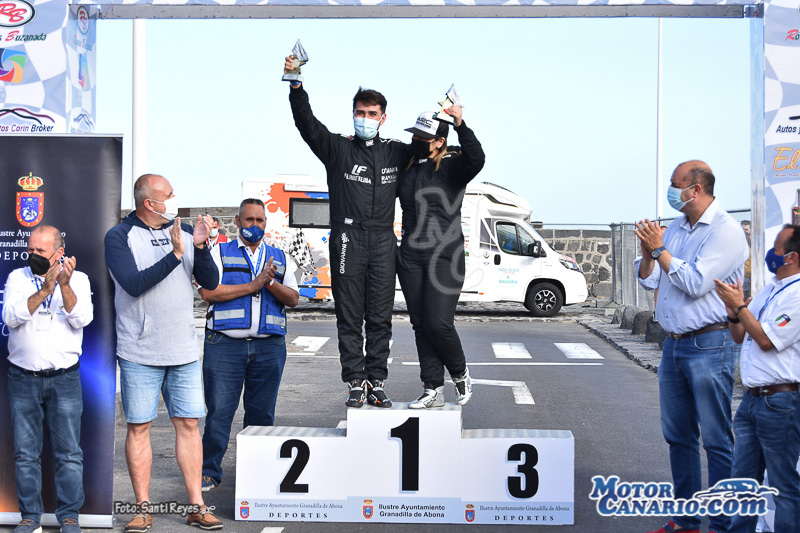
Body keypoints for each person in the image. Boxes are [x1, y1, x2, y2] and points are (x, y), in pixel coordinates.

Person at [285, 55, 411, 408]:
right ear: (353, 114)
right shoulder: (338, 149)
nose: (365, 118)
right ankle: (355, 381)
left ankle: (377, 381)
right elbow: (307, 124)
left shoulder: (397, 153)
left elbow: (433, 148)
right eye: (360, 112)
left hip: (383, 239)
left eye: (372, 114)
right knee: (350, 315)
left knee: (381, 317)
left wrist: (451, 123)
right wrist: (296, 85)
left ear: (383, 118)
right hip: (347, 239)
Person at [634, 160, 748, 533]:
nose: (670, 191)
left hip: (710, 343)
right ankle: (686, 521)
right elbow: (649, 279)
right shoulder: (677, 227)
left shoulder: (726, 231)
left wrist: (659, 252)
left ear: (696, 189)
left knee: (716, 439)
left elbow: (697, 282)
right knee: (678, 437)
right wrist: (649, 252)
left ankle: (721, 524)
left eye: (675, 184)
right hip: (674, 344)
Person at [104, 174, 222, 532]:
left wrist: (200, 247)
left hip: (182, 350)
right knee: (139, 428)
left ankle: (196, 506)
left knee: (189, 424)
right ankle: (142, 509)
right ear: (148, 203)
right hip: (139, 351)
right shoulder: (119, 236)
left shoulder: (182, 231)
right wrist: (176, 254)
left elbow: (211, 283)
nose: (173, 200)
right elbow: (133, 284)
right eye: (168, 195)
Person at [198, 198, 299, 492]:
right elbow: (208, 292)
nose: (255, 225)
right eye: (249, 220)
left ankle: (256, 472)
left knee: (262, 415)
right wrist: (253, 285)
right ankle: (208, 472)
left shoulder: (279, 256)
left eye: (260, 220)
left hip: (269, 348)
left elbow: (293, 298)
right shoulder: (219, 252)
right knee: (219, 412)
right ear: (238, 221)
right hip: (224, 345)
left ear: (266, 222)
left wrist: (270, 283)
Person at [3, 226, 93, 533]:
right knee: (26, 454)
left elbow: (81, 319)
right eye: (30, 249)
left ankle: (69, 516)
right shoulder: (17, 278)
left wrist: (63, 285)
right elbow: (10, 317)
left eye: (40, 251)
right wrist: (44, 290)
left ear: (59, 253)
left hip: (64, 379)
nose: (33, 255)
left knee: (69, 453)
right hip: (23, 379)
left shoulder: (79, 279)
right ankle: (30, 517)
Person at [714, 224, 800, 533]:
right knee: (743, 482)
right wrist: (733, 311)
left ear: (791, 257)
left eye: (776, 249)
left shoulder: (797, 295)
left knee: (783, 484)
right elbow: (741, 336)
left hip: (781, 400)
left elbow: (766, 340)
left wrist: (740, 306)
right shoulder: (771, 288)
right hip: (752, 399)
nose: (770, 254)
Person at [396, 109, 485, 408]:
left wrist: (460, 124)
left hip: (445, 255)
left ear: (439, 141)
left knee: (438, 323)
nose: (416, 140)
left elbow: (476, 159)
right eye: (415, 135)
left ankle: (460, 373)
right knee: (420, 325)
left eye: (423, 137)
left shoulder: (453, 166)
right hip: (410, 255)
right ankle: (432, 389)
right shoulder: (408, 166)